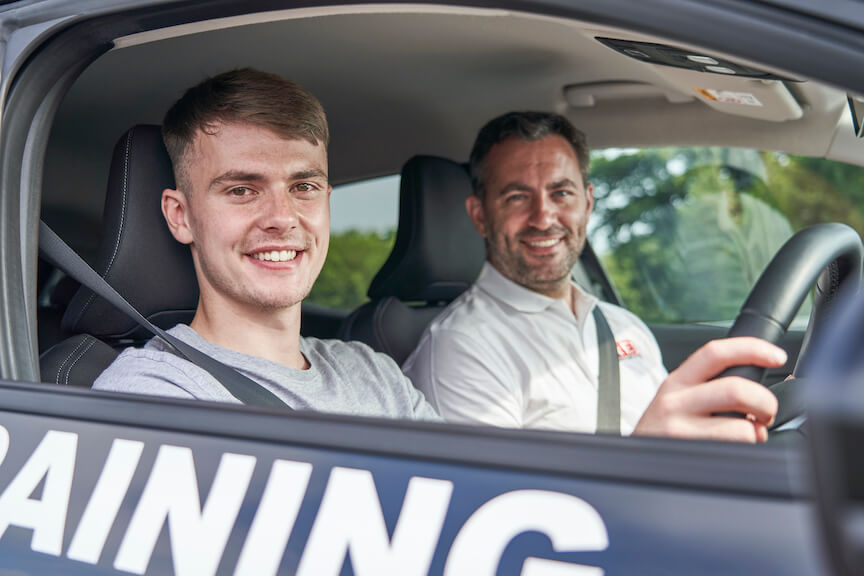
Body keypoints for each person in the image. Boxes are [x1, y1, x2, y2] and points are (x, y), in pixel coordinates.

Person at [403, 111, 784, 441]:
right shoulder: (462, 347)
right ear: (480, 216)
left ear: (587, 203)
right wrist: (645, 454)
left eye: (561, 193)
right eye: (517, 197)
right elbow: (491, 497)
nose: (543, 218)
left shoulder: (623, 326)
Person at [93, 68, 438, 421]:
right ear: (181, 216)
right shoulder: (154, 394)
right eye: (242, 190)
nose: (282, 217)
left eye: (303, 187)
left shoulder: (375, 375)